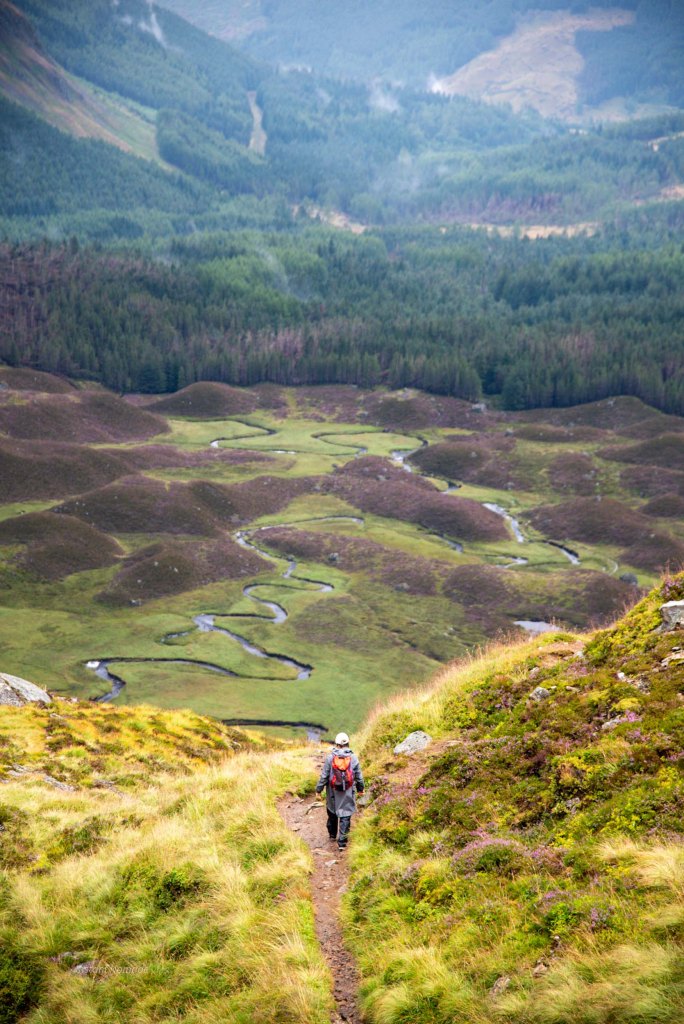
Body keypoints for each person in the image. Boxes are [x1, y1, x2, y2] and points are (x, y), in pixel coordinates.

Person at [316, 731, 365, 850]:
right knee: (345, 814)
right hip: (347, 791)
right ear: (348, 743)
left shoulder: (330, 758)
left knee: (332, 812)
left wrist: (318, 790)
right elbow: (359, 776)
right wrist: (360, 789)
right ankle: (342, 843)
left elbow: (324, 776)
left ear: (336, 744)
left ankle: (332, 835)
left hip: (332, 792)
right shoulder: (353, 757)